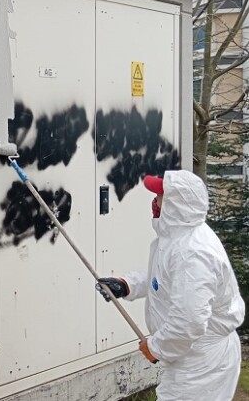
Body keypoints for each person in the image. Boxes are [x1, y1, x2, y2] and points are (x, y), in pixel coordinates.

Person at [97, 170, 244, 401]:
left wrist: (157, 347)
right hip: (191, 355)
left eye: (159, 196)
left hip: (201, 363)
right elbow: (162, 278)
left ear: (177, 204)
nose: (154, 202)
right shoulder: (179, 238)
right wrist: (127, 285)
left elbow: (189, 321)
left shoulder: (193, 253)